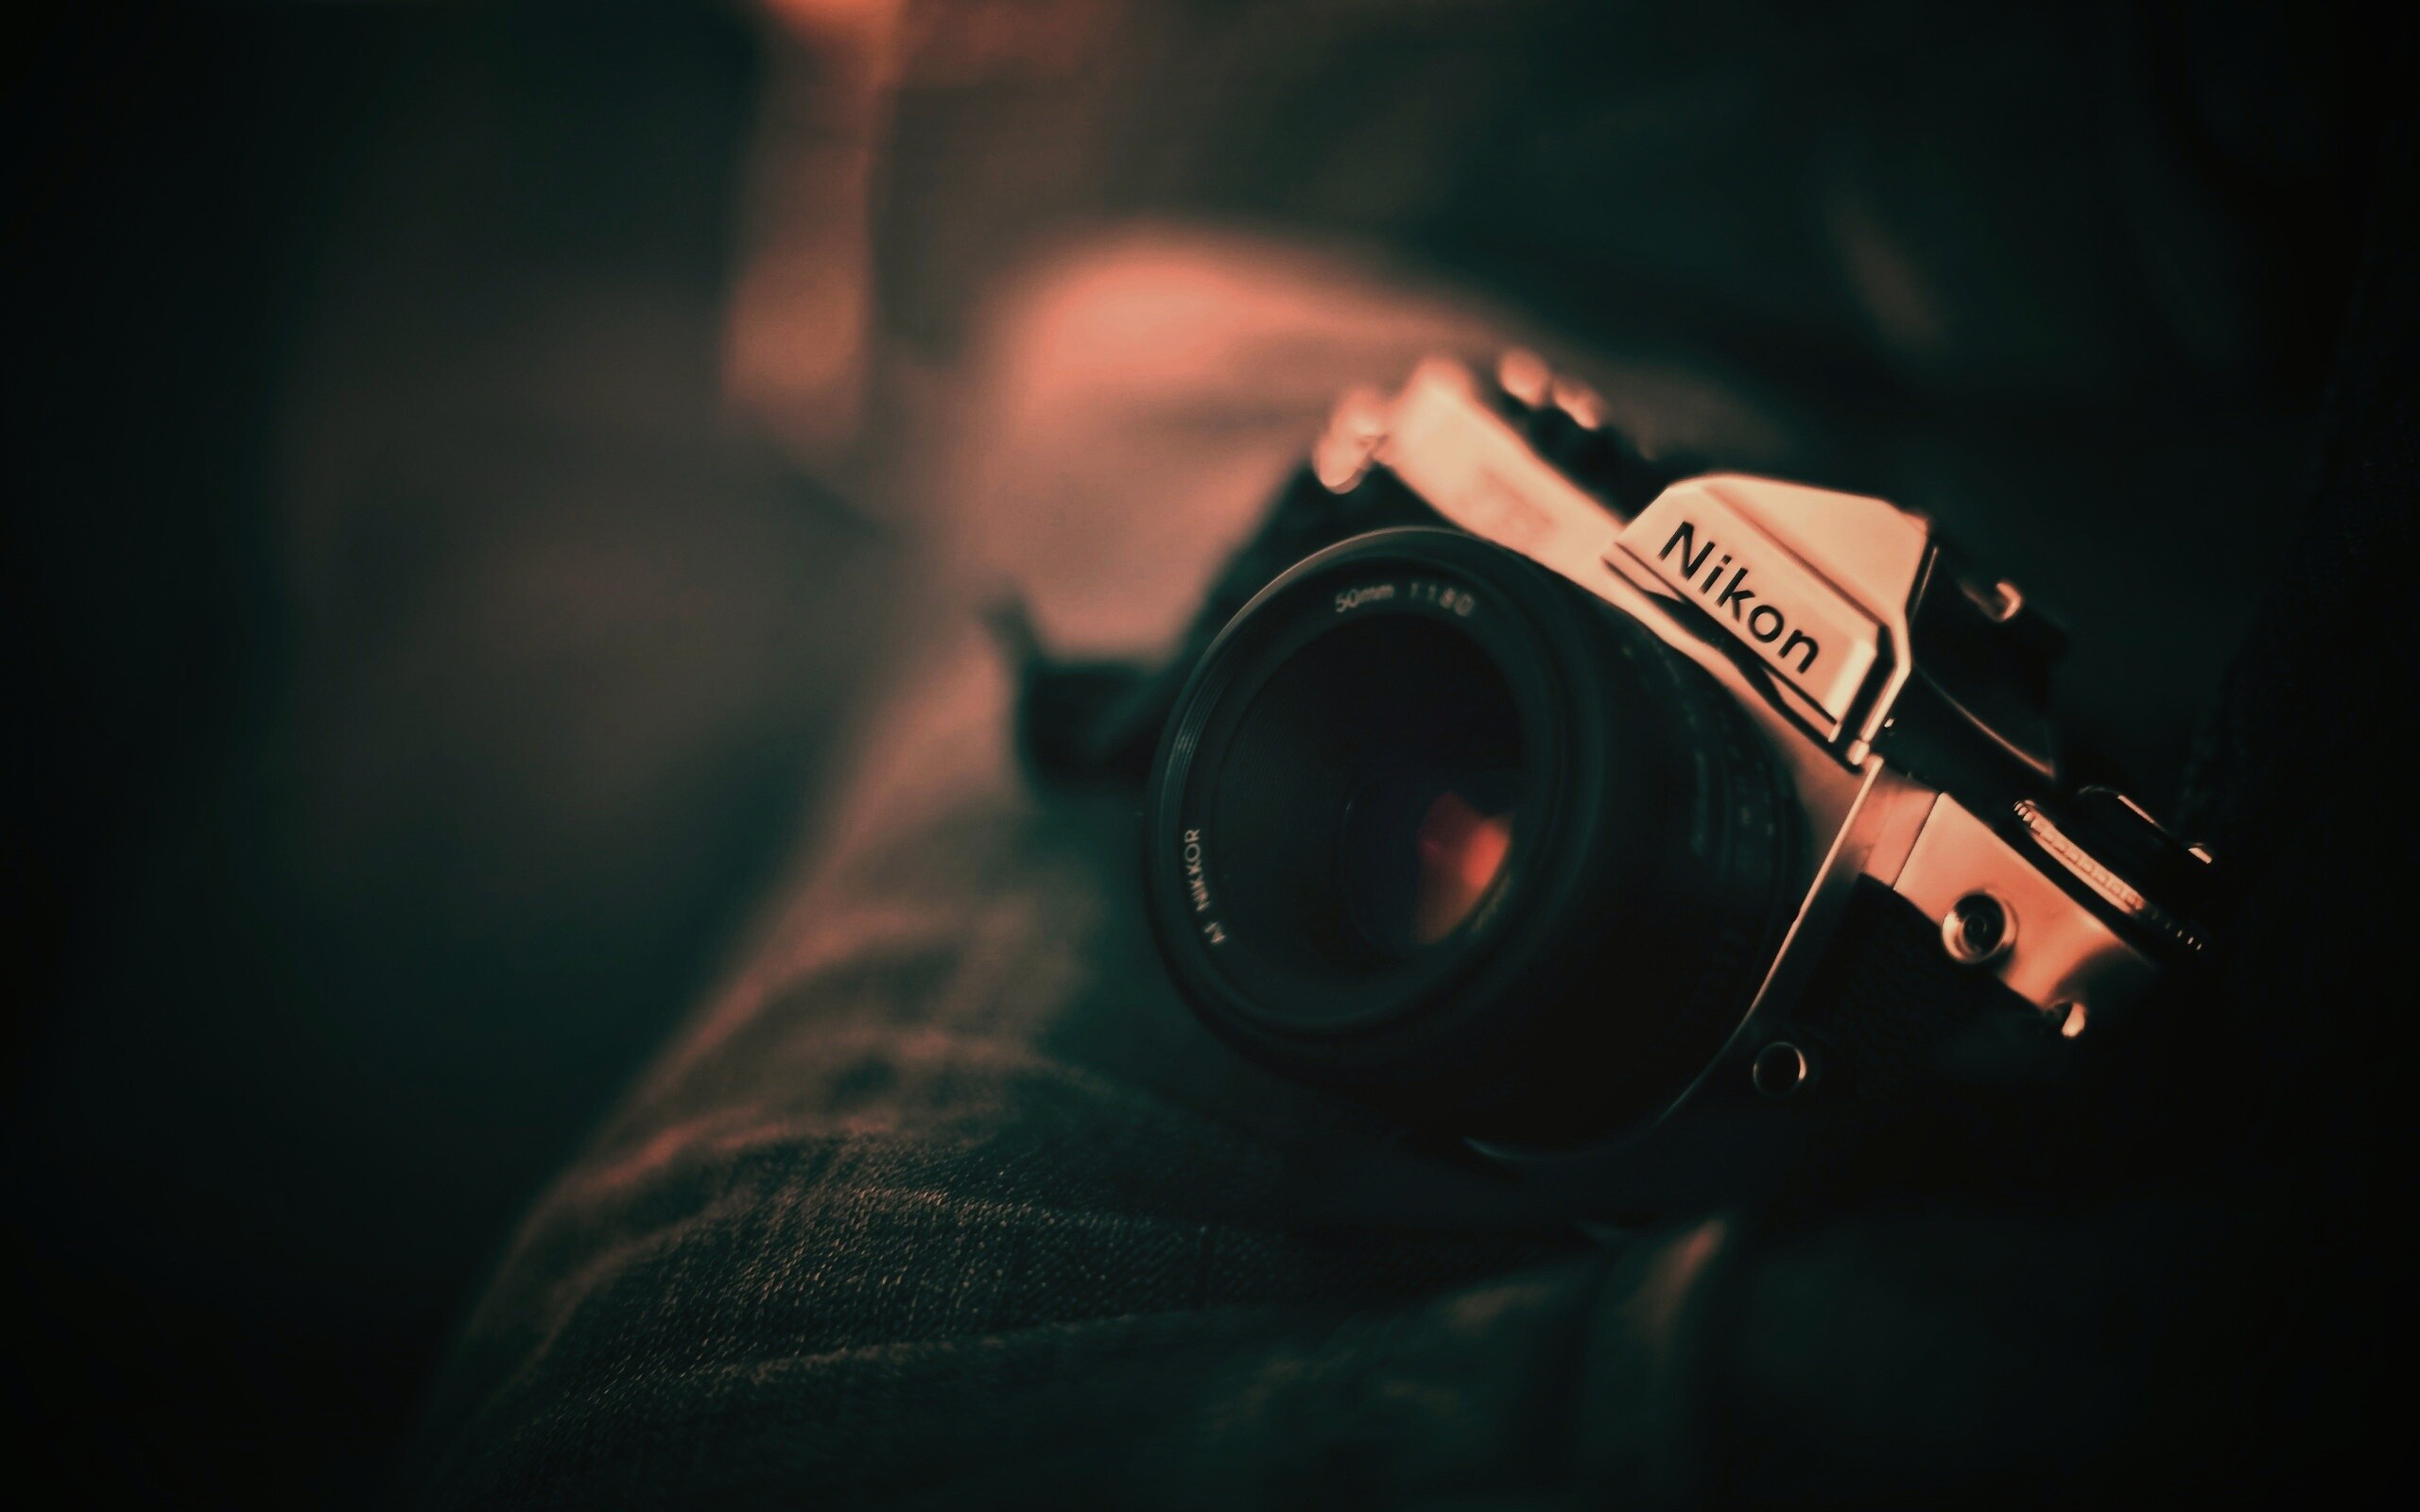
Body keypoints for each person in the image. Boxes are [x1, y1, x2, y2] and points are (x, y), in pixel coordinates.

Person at [401, 4, 2411, 1503]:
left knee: (680, 1426)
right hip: (1369, 286)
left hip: (2166, 472)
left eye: (1464, 836)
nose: (1461, 837)